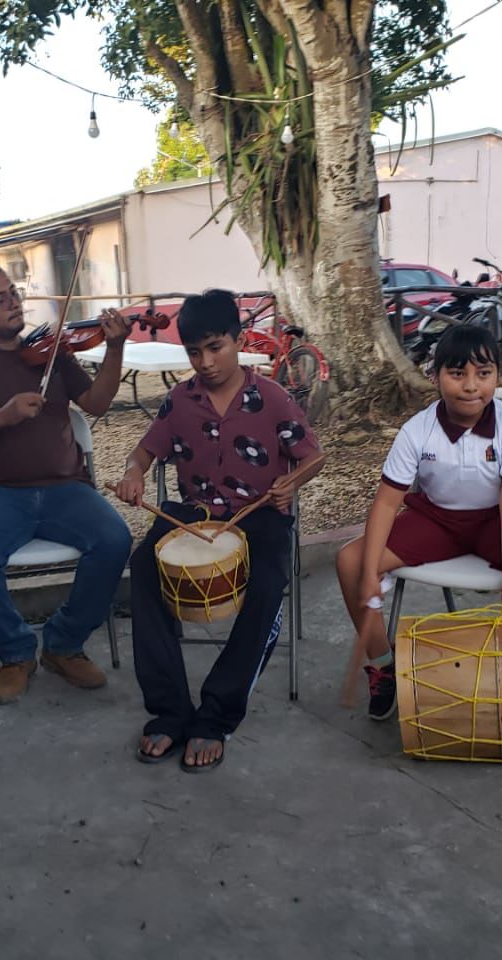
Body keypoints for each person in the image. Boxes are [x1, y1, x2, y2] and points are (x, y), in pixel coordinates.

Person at [335, 323, 502, 752]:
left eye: (483, 374)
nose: (470, 386)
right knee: (351, 562)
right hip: (437, 520)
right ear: (435, 376)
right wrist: (371, 571)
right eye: (457, 373)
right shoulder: (417, 430)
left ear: (497, 376)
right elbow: (387, 504)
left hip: (498, 521)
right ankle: (384, 666)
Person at [115, 290, 323, 772]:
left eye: (215, 347)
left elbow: (313, 456)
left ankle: (216, 717)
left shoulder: (272, 398)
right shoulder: (179, 401)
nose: (206, 363)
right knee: (144, 568)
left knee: (267, 584)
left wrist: (290, 483)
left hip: (259, 516)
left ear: (238, 340)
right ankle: (169, 711)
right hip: (193, 514)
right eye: (194, 352)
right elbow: (143, 452)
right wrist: (132, 473)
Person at [0, 263, 133, 705]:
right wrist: (1, 417)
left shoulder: (54, 353)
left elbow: (97, 403)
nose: (14, 303)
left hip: (66, 488)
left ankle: (64, 643)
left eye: (13, 293)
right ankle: (15, 653)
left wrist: (115, 348)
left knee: (115, 539)